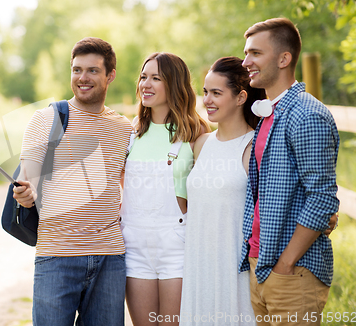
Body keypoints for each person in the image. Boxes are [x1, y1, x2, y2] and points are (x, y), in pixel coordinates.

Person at [13, 37, 132, 326]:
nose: (83, 78)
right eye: (77, 70)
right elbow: (27, 177)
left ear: (110, 76)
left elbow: (130, 190)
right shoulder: (46, 119)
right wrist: (26, 193)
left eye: (92, 70)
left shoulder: (124, 129)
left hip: (109, 258)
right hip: (56, 256)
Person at [239, 18, 340, 325]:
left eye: (255, 53)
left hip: (292, 271)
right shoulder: (270, 113)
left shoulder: (307, 115)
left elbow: (322, 199)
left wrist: (285, 263)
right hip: (261, 263)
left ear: (284, 59)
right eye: (246, 53)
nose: (246, 62)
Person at [120, 52, 210, 326]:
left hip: (176, 247)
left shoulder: (197, 134)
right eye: (143, 77)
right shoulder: (130, 133)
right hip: (134, 246)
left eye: (156, 78)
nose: (145, 84)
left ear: (175, 84)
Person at [179, 57, 265, 326]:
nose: (207, 101)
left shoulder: (253, 146)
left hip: (234, 268)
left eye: (217, 93)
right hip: (198, 263)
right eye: (205, 92)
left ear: (241, 97)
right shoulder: (201, 144)